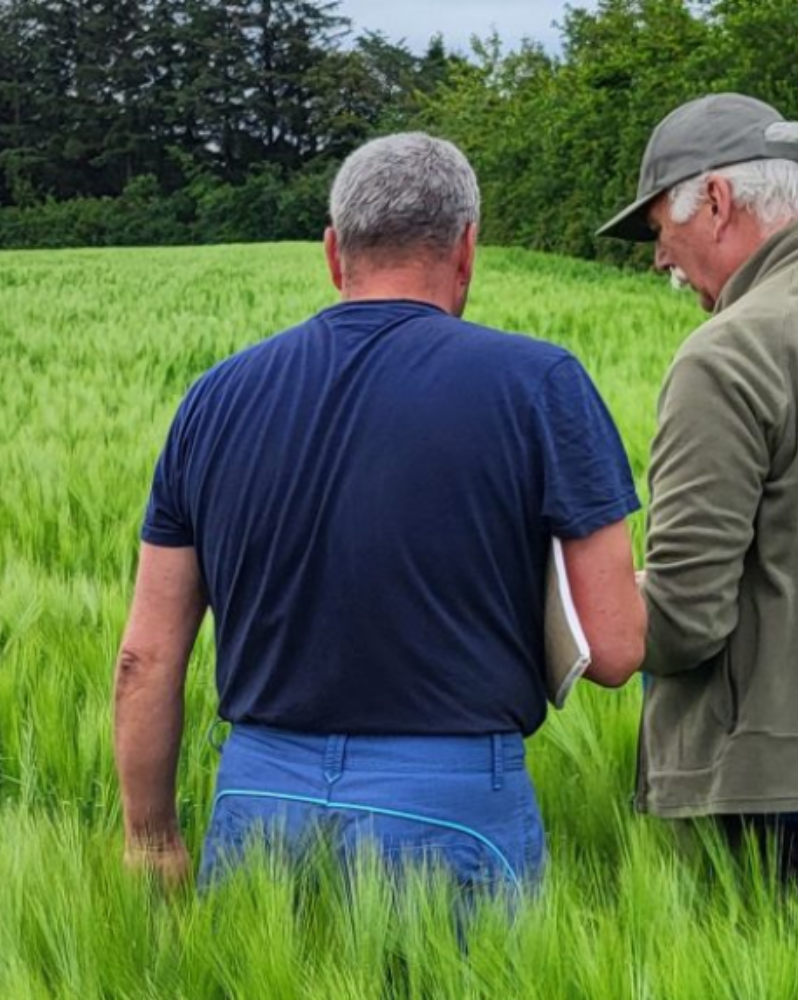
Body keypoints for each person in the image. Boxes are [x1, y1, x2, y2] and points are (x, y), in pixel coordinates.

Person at [115, 132, 647, 892]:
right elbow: (617, 648)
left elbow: (145, 659)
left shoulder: (214, 397)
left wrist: (152, 837)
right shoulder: (539, 384)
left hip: (257, 800)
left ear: (334, 252)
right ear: (466, 248)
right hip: (451, 805)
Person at [598, 93, 798, 873]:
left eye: (658, 231)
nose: (658, 260)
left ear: (715, 200)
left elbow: (684, 620)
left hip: (766, 792)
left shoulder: (733, 352)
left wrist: (593, 603)